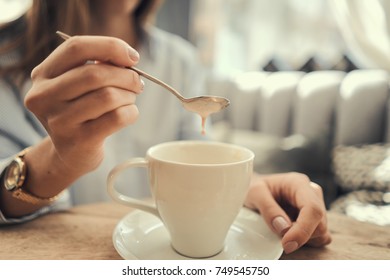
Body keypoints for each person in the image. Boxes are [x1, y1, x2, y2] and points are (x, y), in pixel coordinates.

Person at [0, 0, 331, 255]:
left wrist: (249, 188)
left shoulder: (180, 60)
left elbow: (196, 157)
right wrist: (60, 161)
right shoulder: (5, 55)